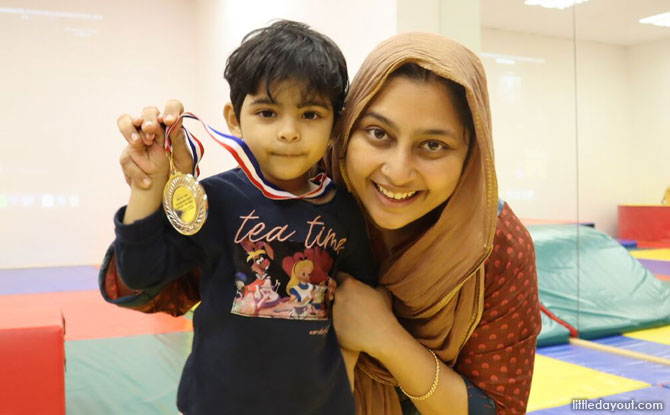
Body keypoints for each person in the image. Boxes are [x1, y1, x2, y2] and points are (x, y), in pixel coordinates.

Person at [101, 31, 541, 415]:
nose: (398, 171)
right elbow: (145, 285)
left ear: (472, 153)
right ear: (347, 130)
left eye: (434, 144)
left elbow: (499, 408)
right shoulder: (288, 192)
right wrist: (155, 187)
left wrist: (386, 339)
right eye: (378, 133)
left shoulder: (495, 247)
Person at [108, 20, 376, 415]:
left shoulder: (346, 209)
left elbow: (360, 306)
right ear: (234, 118)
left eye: (310, 114)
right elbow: (140, 273)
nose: (288, 132)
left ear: (335, 124)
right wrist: (147, 187)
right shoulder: (213, 199)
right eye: (267, 112)